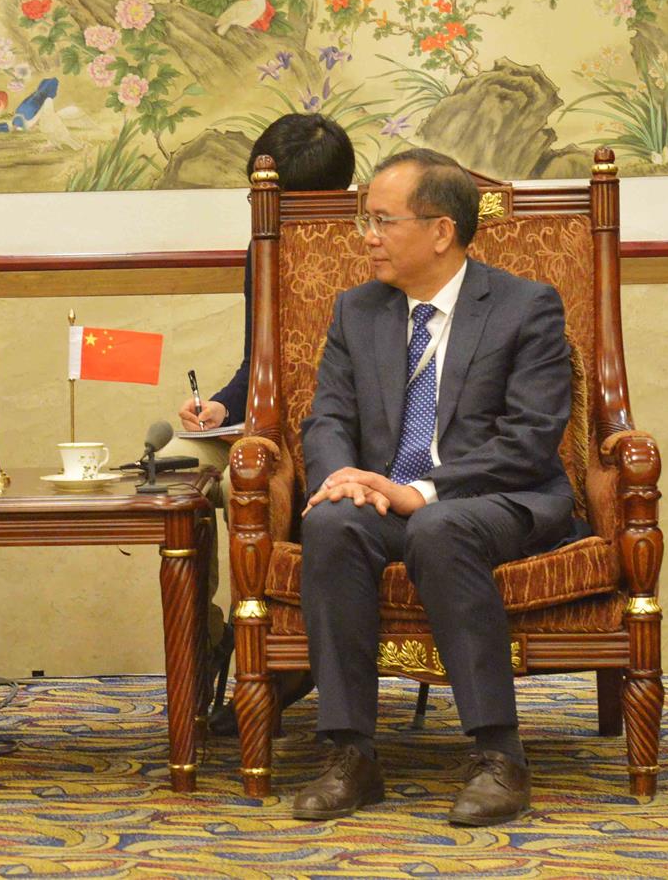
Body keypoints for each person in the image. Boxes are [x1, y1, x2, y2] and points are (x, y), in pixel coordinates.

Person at [293, 148, 581, 826]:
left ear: (441, 231)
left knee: (438, 524)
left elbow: (531, 438)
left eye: (383, 221)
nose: (368, 237)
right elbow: (327, 415)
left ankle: (496, 755)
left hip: (499, 497)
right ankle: (349, 755)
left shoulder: (524, 306)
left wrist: (423, 489)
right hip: (386, 497)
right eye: (366, 221)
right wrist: (340, 478)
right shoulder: (357, 311)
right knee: (332, 521)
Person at [162, 114, 356, 726]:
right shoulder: (262, 250)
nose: (260, 207)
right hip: (267, 430)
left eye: (272, 197)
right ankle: (211, 636)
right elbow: (261, 360)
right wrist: (222, 404)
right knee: (185, 472)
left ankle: (282, 658)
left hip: (344, 433)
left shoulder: (371, 244)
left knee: (250, 480)